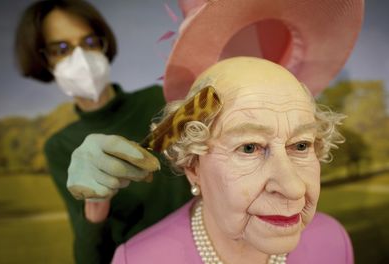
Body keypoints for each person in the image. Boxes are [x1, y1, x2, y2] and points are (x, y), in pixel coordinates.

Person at [112, 56, 353, 264]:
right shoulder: (137, 260)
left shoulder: (333, 242)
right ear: (193, 167)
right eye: (249, 148)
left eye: (301, 145)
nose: (293, 188)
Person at [14, 1, 191, 263]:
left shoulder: (160, 100)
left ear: (104, 44)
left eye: (90, 42)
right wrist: (95, 205)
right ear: (43, 59)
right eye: (61, 49)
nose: (81, 58)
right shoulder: (60, 147)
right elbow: (90, 257)